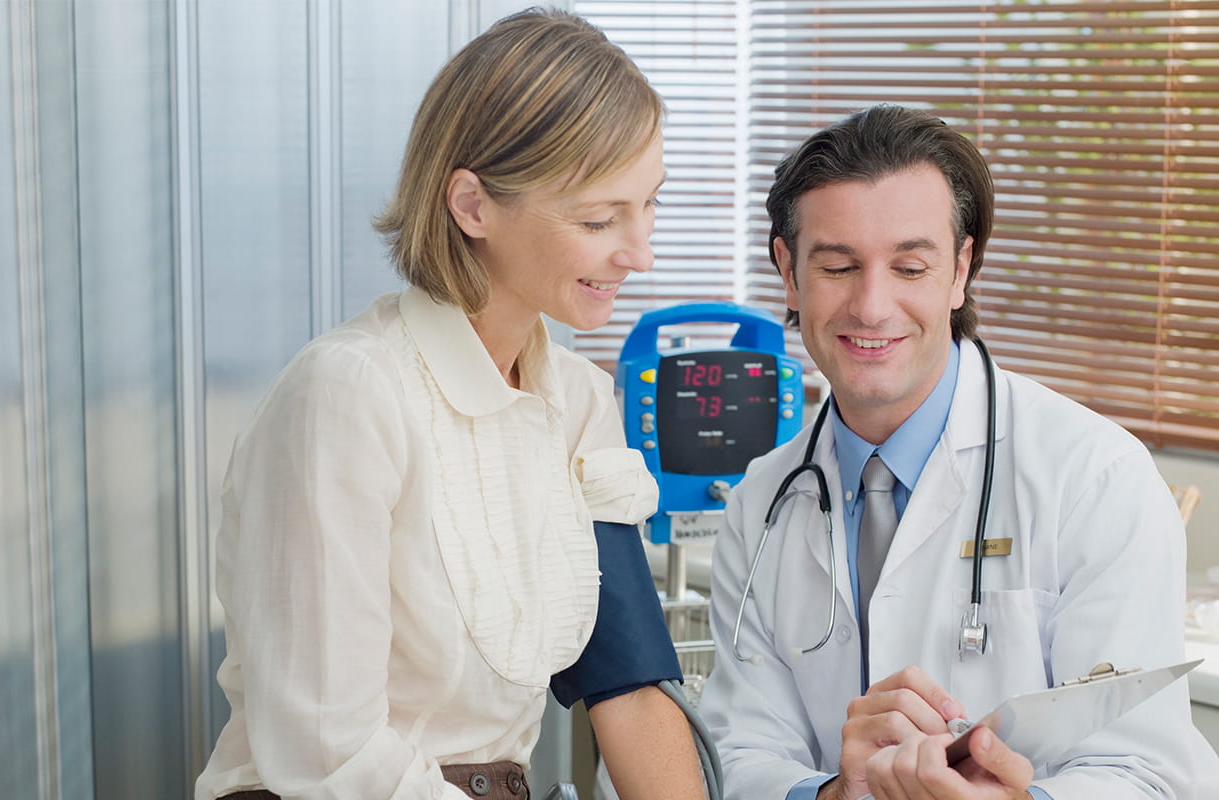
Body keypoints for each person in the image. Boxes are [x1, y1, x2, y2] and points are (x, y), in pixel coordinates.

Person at [193, 9, 704, 800]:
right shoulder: (349, 396)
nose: (639, 253)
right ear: (472, 206)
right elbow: (333, 755)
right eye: (600, 218)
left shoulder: (576, 401)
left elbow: (629, 687)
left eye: (650, 204)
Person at [696, 104, 1219, 800]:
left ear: (961, 269)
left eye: (910, 267)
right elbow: (738, 753)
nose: (872, 306)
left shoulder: (1096, 478)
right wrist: (831, 793)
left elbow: (1147, 772)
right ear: (789, 273)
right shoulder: (761, 501)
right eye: (839, 266)